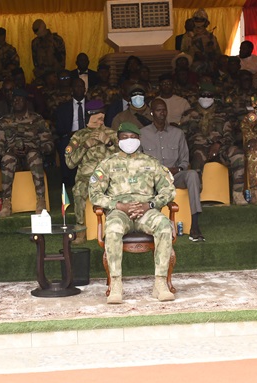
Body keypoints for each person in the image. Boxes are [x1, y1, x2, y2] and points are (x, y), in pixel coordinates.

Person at [88, 122, 176, 304]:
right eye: (125, 137)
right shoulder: (108, 164)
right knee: (113, 229)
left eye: (133, 137)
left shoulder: (151, 163)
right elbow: (94, 194)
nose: (129, 141)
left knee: (164, 226)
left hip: (146, 211)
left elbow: (168, 190)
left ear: (139, 139)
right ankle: (116, 284)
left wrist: (150, 204)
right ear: (118, 140)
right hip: (119, 212)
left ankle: (160, 283)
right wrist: (118, 206)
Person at [141, 98, 205, 241]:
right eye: (158, 110)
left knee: (192, 174)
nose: (162, 113)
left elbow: (184, 160)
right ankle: (148, 226)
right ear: (152, 113)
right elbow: (138, 162)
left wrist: (177, 169)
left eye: (164, 110)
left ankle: (195, 225)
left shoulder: (178, 133)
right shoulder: (142, 134)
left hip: (174, 176)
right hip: (152, 178)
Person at [179, 83, 246, 205]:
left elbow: (229, 135)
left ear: (214, 97)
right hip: (197, 148)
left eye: (209, 95)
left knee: (238, 154)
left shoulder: (223, 113)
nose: (206, 98)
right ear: (198, 96)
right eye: (203, 95)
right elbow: (182, 136)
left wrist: (218, 144)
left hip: (220, 147)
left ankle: (238, 194)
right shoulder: (189, 114)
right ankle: (196, 198)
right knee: (198, 157)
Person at [0, 89, 53, 216]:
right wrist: (9, 151)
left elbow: (49, 144)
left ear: (26, 102)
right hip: (13, 158)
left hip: (33, 158)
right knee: (8, 158)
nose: (16, 102)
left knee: (34, 156)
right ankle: (6, 202)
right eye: (14, 99)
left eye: (20, 99)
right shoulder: (4, 121)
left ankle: (41, 200)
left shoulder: (37, 119)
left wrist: (35, 149)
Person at [64, 100, 117, 236]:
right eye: (96, 118)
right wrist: (85, 146)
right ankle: (80, 230)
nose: (100, 122)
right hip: (86, 177)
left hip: (109, 176)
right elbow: (70, 163)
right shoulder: (79, 136)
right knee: (78, 190)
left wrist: (108, 142)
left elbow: (124, 159)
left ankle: (114, 230)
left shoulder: (112, 134)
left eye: (101, 118)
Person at [55, 77, 88, 188]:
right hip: (70, 136)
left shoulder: (92, 105)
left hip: (89, 135)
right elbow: (59, 128)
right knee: (64, 144)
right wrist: (71, 134)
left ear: (85, 89)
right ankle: (67, 179)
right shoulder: (63, 107)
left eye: (81, 86)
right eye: (76, 86)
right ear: (71, 89)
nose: (79, 88)